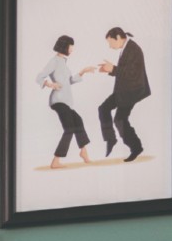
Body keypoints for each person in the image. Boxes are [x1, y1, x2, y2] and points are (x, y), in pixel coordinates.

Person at [33, 34, 92, 166]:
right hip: (58, 100)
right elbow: (39, 77)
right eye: (71, 47)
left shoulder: (63, 62)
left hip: (66, 100)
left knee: (78, 121)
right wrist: (50, 84)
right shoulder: (54, 61)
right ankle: (56, 160)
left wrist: (83, 72)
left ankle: (83, 151)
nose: (72, 49)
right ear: (65, 46)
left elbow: (69, 81)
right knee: (69, 128)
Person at [95, 26, 150, 161]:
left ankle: (135, 148)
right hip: (124, 90)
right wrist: (110, 70)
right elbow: (124, 71)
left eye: (110, 42)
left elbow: (132, 73)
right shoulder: (127, 48)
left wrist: (113, 68)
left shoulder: (133, 49)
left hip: (132, 90)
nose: (110, 46)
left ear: (118, 38)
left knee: (119, 119)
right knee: (104, 109)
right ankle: (111, 139)